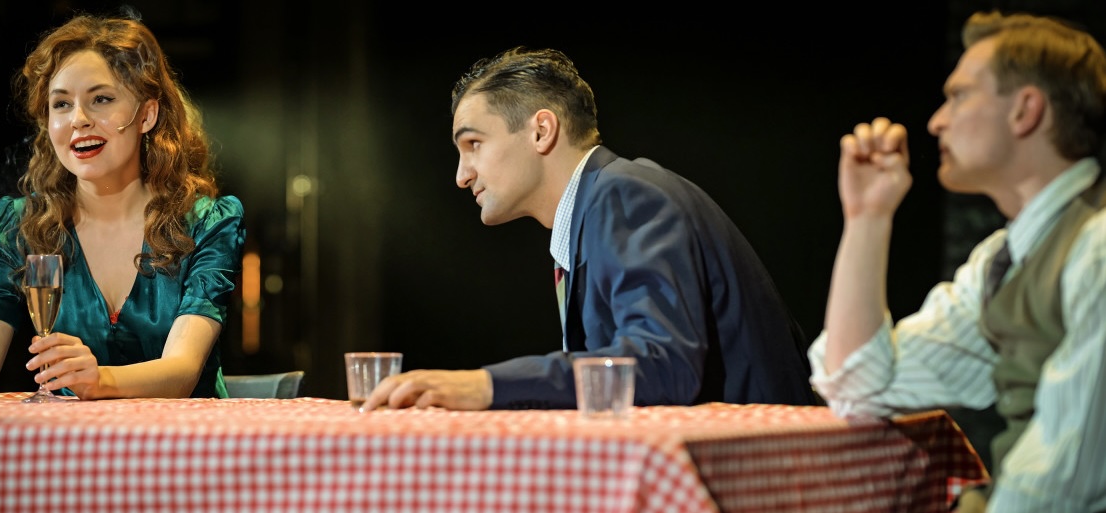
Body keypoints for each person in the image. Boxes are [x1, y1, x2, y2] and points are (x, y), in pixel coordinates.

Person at [363, 46, 817, 412]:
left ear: (541, 131)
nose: (462, 176)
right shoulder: (596, 207)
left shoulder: (625, 195)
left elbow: (663, 366)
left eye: (473, 144)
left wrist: (486, 385)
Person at [810, 10, 1106, 513]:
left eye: (959, 96)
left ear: (1025, 110)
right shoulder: (1002, 260)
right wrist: (867, 218)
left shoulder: (1096, 246)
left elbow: (1066, 478)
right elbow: (859, 387)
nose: (936, 121)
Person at [0, 10, 246, 400]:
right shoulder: (17, 227)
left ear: (147, 114)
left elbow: (182, 372)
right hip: (71, 440)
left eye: (101, 99)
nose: (78, 119)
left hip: (183, 437)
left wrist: (100, 380)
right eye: (61, 104)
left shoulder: (205, 223)